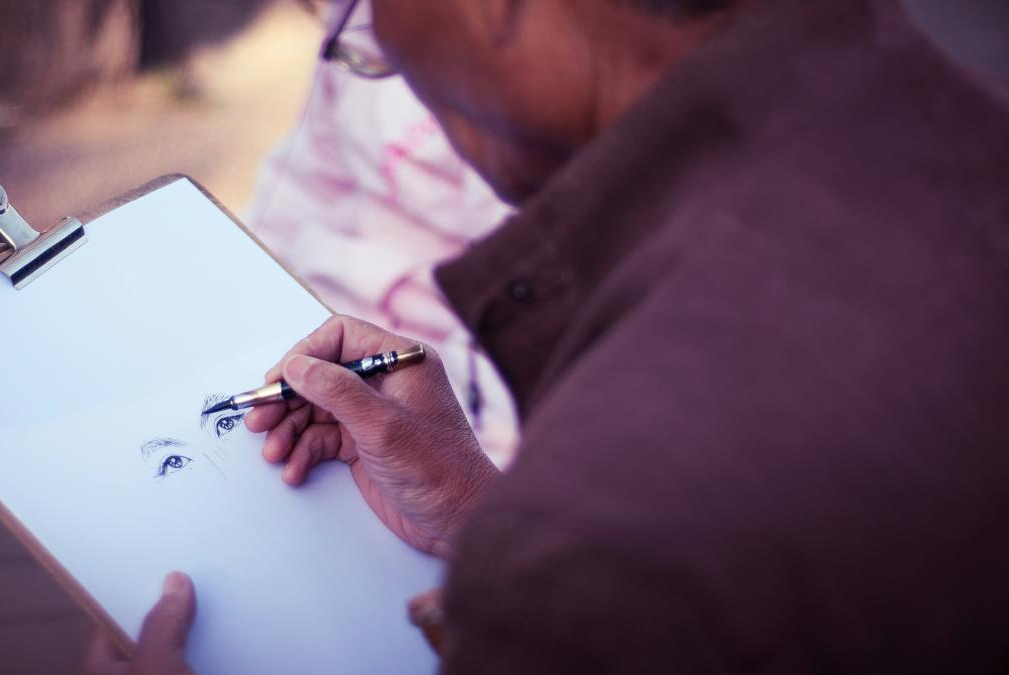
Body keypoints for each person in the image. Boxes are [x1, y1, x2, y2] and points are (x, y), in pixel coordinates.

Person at [87, 0, 1009, 671]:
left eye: (366, 25)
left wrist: (536, 556)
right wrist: (477, 505)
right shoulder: (965, 117)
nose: (383, 59)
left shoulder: (604, 530)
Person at [244, 5, 518, 465]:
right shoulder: (352, 22)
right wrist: (243, 275)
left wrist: (477, 471)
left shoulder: (506, 78)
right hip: (315, 316)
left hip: (436, 378)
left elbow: (520, 300)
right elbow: (302, 177)